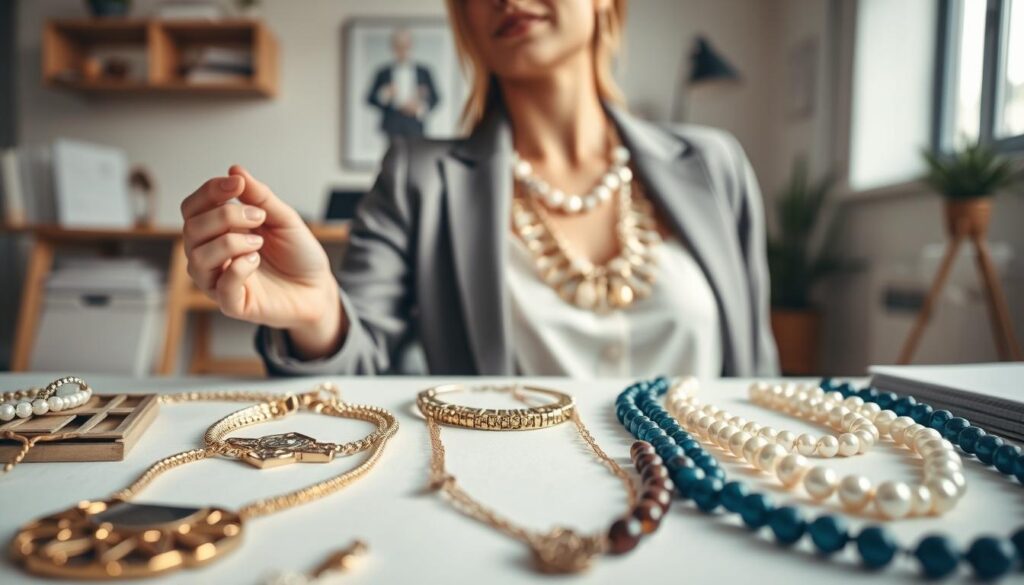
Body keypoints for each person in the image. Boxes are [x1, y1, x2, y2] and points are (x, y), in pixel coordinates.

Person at [179, 0, 779, 378]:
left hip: (711, 502)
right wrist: (317, 311)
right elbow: (362, 364)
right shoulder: (417, 176)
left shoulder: (712, 164)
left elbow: (756, 370)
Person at [365, 28, 439, 138]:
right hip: (391, 124)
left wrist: (420, 107)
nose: (403, 49)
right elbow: (370, 99)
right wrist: (384, 94)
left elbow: (436, 98)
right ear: (393, 47)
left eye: (406, 45)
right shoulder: (383, 72)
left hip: (415, 124)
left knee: (416, 154)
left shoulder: (424, 72)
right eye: (399, 46)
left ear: (411, 46)